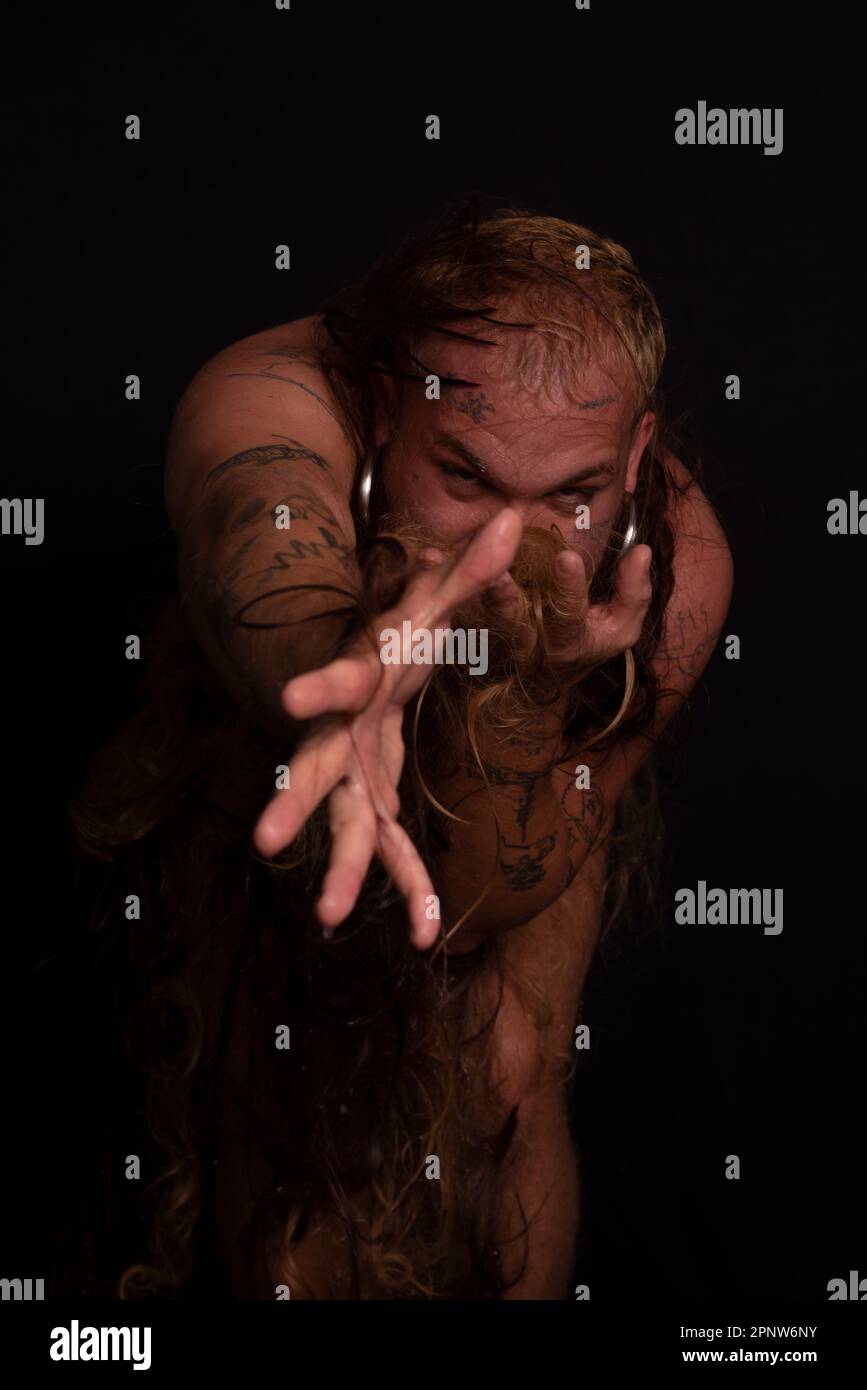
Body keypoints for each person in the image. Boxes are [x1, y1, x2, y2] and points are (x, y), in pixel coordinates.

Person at [72, 200, 733, 1300]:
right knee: (294, 1086)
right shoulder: (271, 398)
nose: (506, 545)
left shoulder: (677, 571)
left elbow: (481, 900)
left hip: (525, 775)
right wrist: (342, 673)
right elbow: (262, 538)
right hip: (290, 767)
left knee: (513, 1063)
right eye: (466, 479)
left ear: (637, 453)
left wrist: (531, 691)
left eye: (573, 493)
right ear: (384, 411)